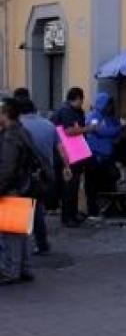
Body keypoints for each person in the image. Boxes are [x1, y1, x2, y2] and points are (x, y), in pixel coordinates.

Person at [0, 98, 48, 284]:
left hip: (12, 189)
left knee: (9, 233)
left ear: (6, 114)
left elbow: (7, 168)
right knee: (20, 231)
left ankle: (11, 270)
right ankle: (24, 268)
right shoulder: (21, 131)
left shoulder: (11, 137)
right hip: (24, 187)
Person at [18, 96, 65, 255]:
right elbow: (60, 148)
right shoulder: (49, 125)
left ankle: (21, 247)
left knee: (22, 210)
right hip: (45, 174)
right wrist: (67, 166)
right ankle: (42, 242)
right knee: (37, 207)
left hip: (23, 174)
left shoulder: (18, 127)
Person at [52, 87, 93, 227]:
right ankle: (68, 217)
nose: (82, 104)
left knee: (73, 186)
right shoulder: (66, 111)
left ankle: (72, 214)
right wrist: (88, 129)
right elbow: (69, 131)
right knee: (69, 186)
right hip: (68, 155)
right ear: (77, 98)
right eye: (81, 100)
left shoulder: (74, 111)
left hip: (74, 154)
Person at [84, 92, 125, 219]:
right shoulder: (94, 116)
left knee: (110, 180)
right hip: (96, 157)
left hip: (106, 157)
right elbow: (101, 131)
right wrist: (119, 128)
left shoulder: (107, 117)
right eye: (109, 105)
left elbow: (114, 134)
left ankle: (105, 208)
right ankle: (93, 210)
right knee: (93, 185)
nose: (111, 107)